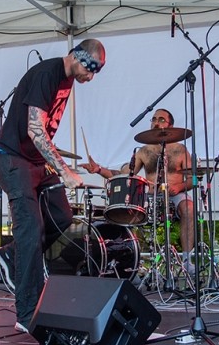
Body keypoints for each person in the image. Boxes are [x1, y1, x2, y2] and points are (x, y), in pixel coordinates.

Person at [0, 39, 105, 332]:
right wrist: (64, 170)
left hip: (36, 162)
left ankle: (12, 253)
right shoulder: (47, 74)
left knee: (62, 217)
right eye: (90, 69)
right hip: (14, 160)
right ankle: (27, 315)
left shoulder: (67, 80)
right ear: (77, 57)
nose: (91, 77)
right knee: (30, 231)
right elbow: (35, 129)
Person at [82, 108, 197, 273]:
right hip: (151, 195)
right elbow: (124, 175)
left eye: (161, 119)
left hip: (176, 194)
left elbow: (193, 179)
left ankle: (187, 260)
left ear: (170, 125)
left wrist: (179, 187)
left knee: (189, 208)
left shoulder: (181, 150)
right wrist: (98, 169)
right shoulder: (144, 151)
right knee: (128, 209)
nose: (156, 122)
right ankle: (131, 265)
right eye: (153, 119)